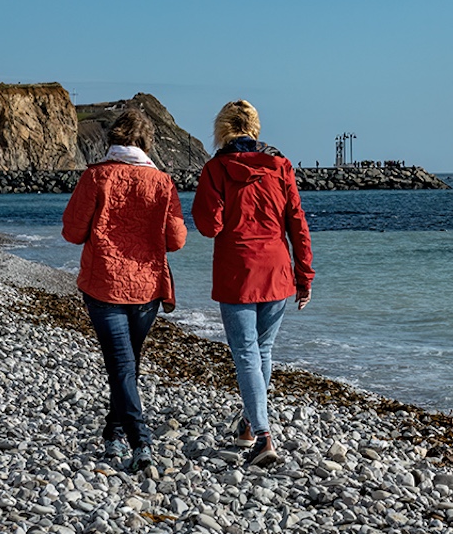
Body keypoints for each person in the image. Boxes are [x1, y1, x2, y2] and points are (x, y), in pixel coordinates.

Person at [61, 107, 186, 474]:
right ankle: (129, 438)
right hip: (147, 285)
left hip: (105, 283)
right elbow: (177, 240)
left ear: (111, 140)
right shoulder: (162, 182)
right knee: (126, 365)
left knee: (122, 366)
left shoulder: (96, 177)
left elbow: (72, 233)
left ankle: (131, 439)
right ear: (146, 142)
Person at [193, 99, 313, 468]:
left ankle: (263, 435)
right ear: (255, 128)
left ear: (222, 129)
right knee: (262, 351)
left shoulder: (216, 169)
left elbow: (208, 226)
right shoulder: (280, 166)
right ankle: (248, 425)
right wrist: (305, 275)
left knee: (247, 352)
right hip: (277, 270)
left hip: (237, 272)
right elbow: (297, 223)